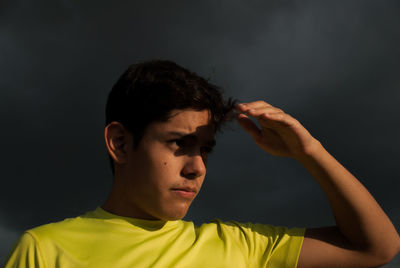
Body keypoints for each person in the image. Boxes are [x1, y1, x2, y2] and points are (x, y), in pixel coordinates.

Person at [5, 60, 400, 267]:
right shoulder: (45, 250)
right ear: (120, 143)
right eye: (179, 143)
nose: (197, 167)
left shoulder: (241, 247)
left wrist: (310, 151)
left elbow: (376, 248)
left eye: (206, 149)